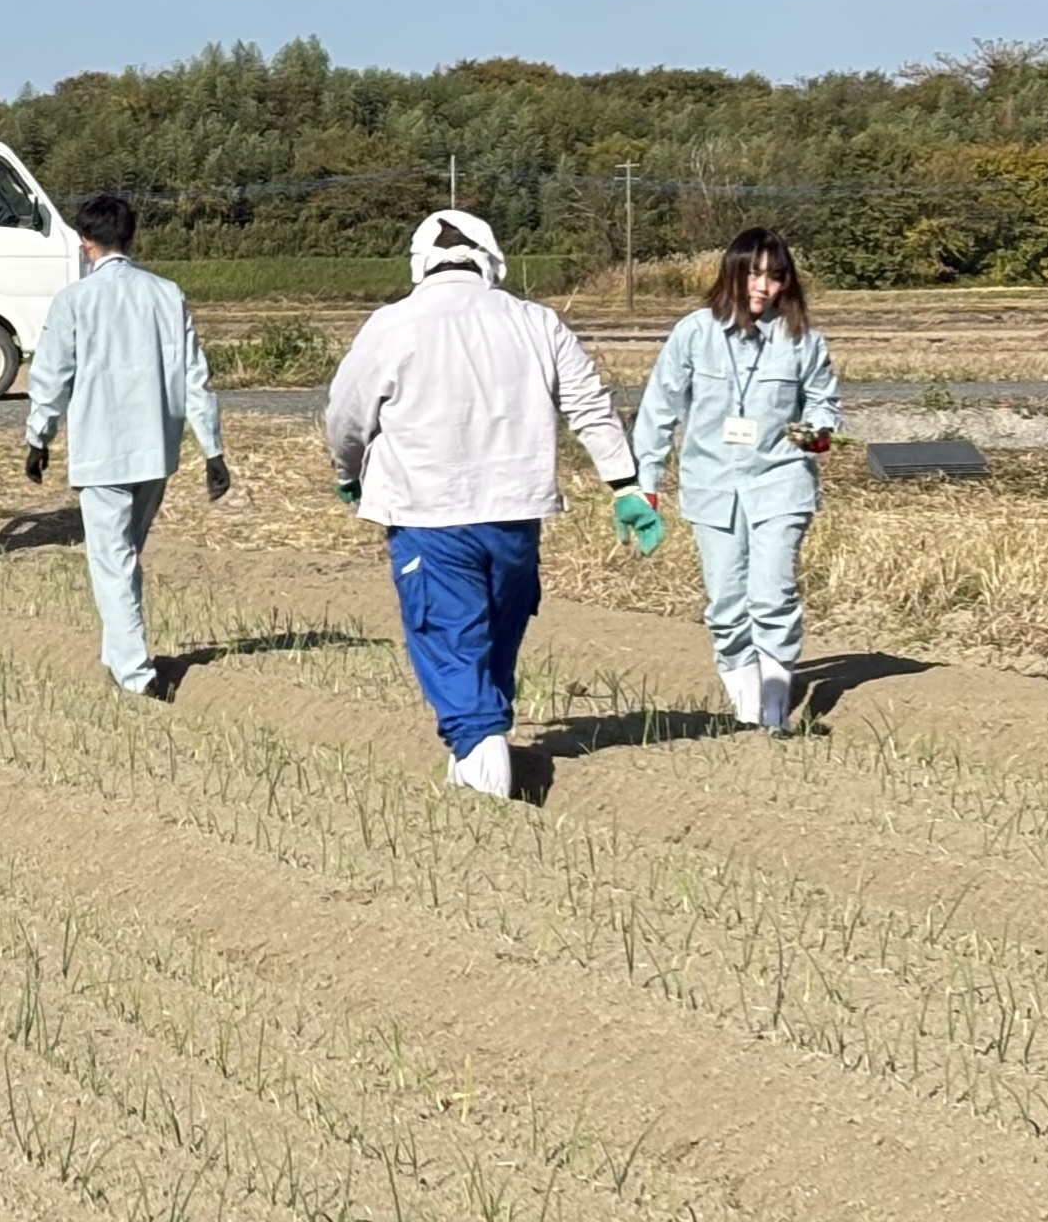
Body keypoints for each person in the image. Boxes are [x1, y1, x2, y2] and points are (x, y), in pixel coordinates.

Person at [324, 210, 665, 799]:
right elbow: (590, 405)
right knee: (495, 636)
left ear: (420, 264)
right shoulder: (536, 321)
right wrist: (624, 484)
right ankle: (479, 747)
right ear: (491, 259)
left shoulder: (392, 324)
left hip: (428, 514)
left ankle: (482, 771)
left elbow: (346, 416)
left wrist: (347, 471)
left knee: (451, 639)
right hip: (515, 515)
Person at [631, 228, 844, 734]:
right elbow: (659, 409)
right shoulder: (693, 333)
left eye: (774, 277)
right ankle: (746, 708)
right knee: (726, 603)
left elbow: (824, 404)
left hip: (780, 482)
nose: (763, 287)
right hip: (712, 486)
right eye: (753, 274)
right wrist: (647, 482)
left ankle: (773, 709)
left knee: (773, 594)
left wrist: (819, 431)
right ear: (732, 272)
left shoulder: (803, 340)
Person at [22, 193, 232, 698]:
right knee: (126, 555)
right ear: (131, 236)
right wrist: (212, 448)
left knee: (113, 560)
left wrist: (39, 436)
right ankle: (120, 653)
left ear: (85, 242)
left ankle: (136, 674)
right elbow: (194, 374)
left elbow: (51, 375)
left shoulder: (75, 300)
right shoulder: (166, 293)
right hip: (155, 447)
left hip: (100, 449)